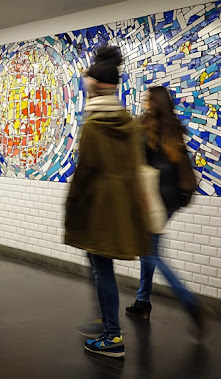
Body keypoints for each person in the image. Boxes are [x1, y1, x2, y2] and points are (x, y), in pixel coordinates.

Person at [64, 45, 150, 358]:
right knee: (101, 268)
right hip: (124, 209)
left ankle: (112, 335)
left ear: (95, 89)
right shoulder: (129, 123)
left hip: (100, 210)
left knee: (101, 270)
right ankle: (106, 318)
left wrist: (72, 209)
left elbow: (85, 175)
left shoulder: (93, 128)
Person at [125, 86, 211, 339]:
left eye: (147, 99)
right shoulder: (173, 127)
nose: (143, 102)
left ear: (154, 103)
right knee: (149, 248)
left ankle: (191, 304)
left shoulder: (147, 126)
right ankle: (142, 299)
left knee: (151, 254)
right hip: (171, 198)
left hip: (153, 197)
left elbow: (137, 160)